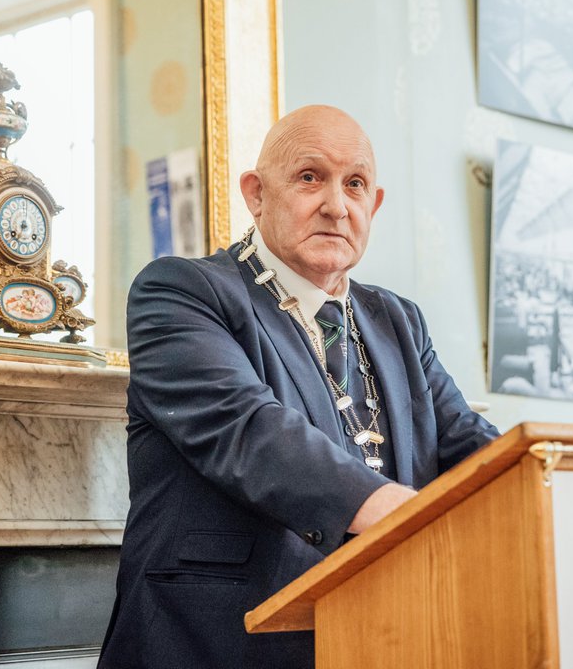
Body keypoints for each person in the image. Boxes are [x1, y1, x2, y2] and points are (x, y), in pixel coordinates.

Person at [98, 105, 499, 668]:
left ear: (373, 205)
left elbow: (468, 439)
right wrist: (408, 519)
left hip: (377, 635)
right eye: (310, 177)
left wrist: (549, 494)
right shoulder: (180, 292)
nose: (336, 205)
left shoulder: (397, 320)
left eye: (355, 184)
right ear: (256, 193)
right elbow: (250, 429)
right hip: (211, 640)